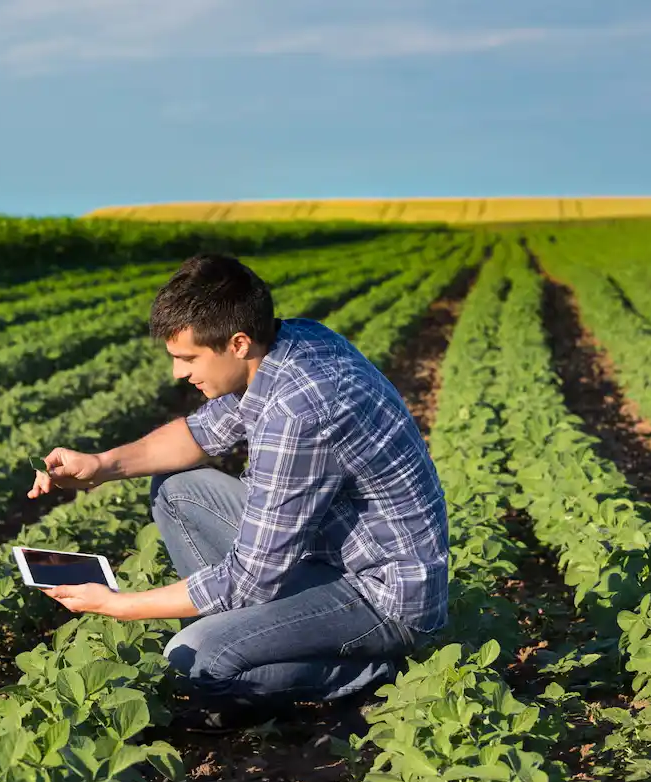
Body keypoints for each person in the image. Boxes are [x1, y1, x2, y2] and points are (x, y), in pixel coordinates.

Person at [28, 253, 449, 734]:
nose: (177, 374)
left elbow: (251, 580)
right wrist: (101, 465)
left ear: (238, 342)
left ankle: (366, 674)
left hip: (383, 596)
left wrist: (120, 604)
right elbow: (200, 435)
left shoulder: (300, 411)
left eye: (187, 358)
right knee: (179, 490)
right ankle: (257, 636)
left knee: (196, 657)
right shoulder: (292, 341)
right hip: (331, 554)